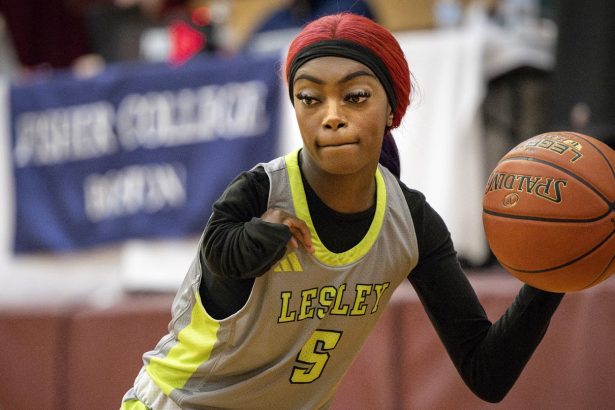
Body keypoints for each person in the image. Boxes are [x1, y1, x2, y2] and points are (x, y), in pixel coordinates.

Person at [121, 13, 565, 409]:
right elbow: (221, 252)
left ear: (391, 107)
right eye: (310, 98)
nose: (331, 116)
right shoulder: (260, 192)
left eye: (354, 96)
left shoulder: (410, 220)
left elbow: (487, 373)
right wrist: (260, 238)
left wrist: (551, 275)